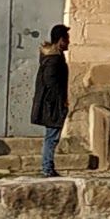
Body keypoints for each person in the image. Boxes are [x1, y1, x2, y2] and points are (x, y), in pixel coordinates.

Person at [31, 23, 70, 178]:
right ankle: (47, 167)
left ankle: (48, 166)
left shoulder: (53, 57)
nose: (68, 42)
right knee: (52, 137)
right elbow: (51, 81)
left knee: (52, 135)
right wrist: (60, 100)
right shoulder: (54, 59)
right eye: (66, 39)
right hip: (52, 104)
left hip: (52, 102)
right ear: (61, 40)